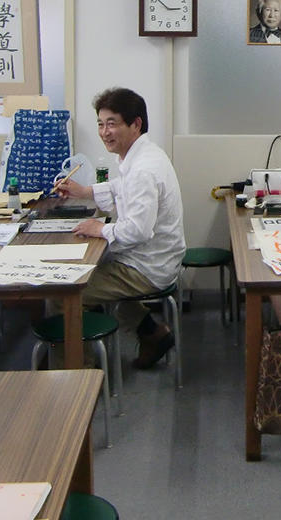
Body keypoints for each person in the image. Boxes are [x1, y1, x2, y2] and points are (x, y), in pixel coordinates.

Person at [55, 87, 186, 369]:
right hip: (154, 257)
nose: (104, 132)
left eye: (112, 123)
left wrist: (99, 229)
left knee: (68, 291)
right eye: (100, 124)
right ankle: (153, 333)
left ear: (135, 124)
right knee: (94, 274)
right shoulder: (143, 154)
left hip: (148, 266)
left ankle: (77, 373)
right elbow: (121, 187)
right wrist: (85, 191)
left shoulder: (142, 169)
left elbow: (138, 230)